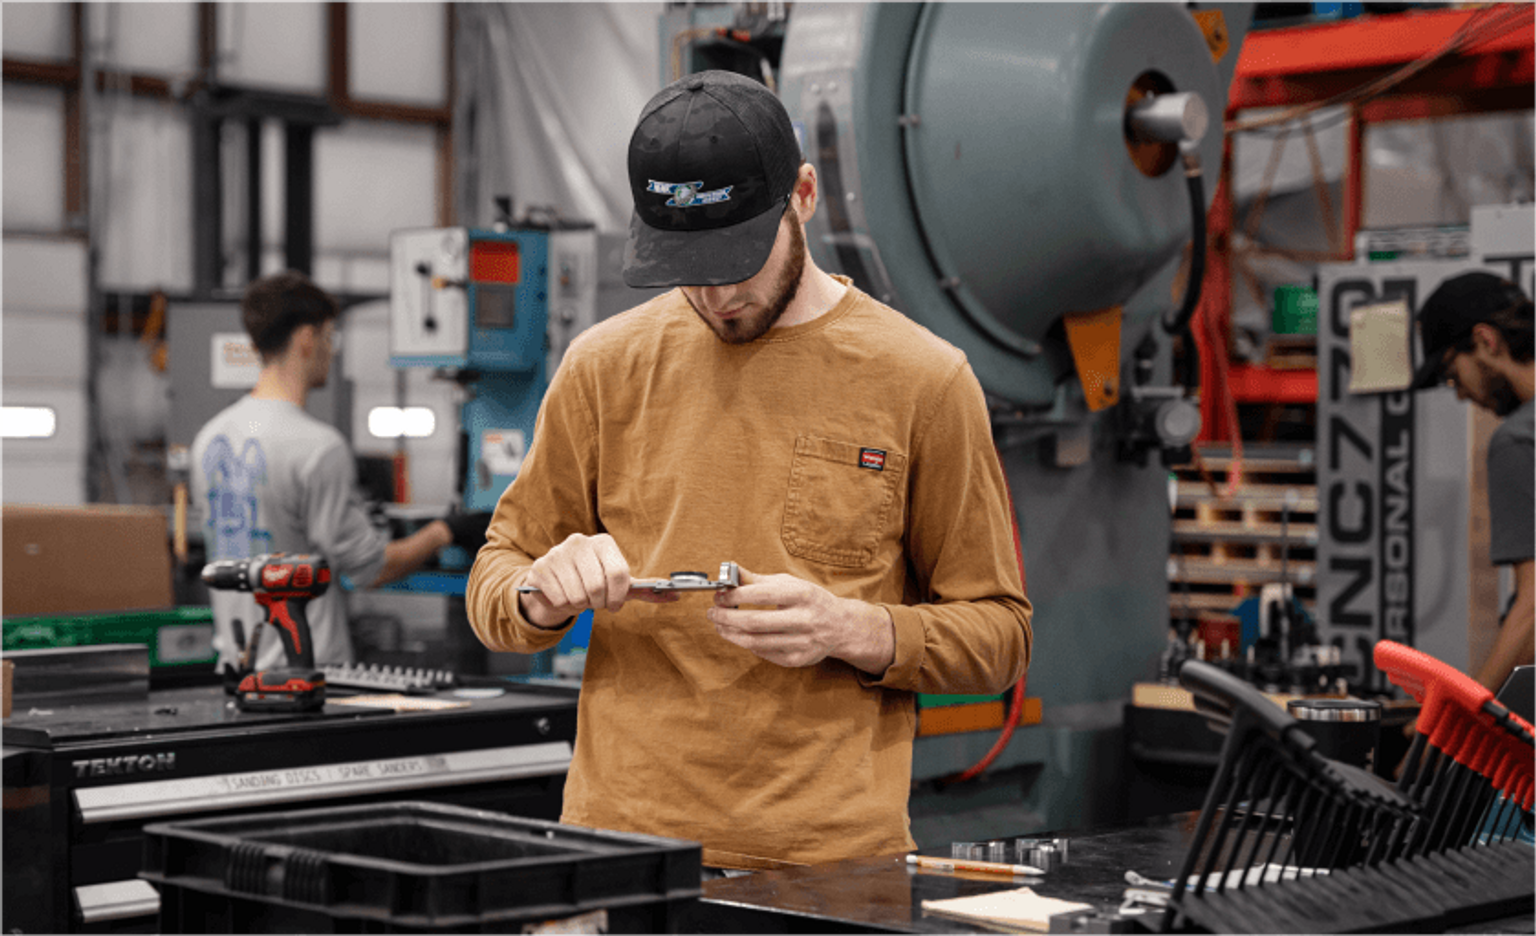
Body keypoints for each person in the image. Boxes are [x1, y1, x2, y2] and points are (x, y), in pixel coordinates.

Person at [466, 70, 1032, 870]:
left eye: (739, 257)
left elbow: (1000, 637)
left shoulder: (922, 381)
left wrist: (859, 629)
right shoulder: (603, 367)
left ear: (802, 196)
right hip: (619, 851)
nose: (718, 292)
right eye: (687, 265)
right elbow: (496, 578)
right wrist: (538, 593)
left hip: (826, 870)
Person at [192, 271, 478, 674]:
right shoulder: (317, 447)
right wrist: (446, 530)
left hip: (238, 668)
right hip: (306, 673)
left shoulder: (209, 439)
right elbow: (370, 568)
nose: (332, 350)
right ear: (307, 339)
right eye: (331, 337)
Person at [1410, 271, 1536, 695]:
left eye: (1451, 374)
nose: (1461, 394)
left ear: (1486, 340)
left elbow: (1534, 607)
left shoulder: (1520, 440)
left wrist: (1461, 713)